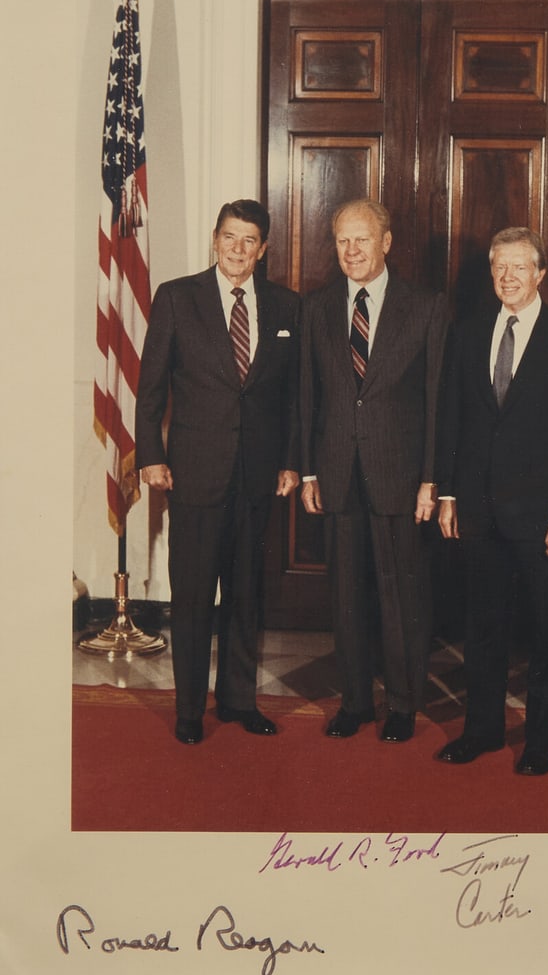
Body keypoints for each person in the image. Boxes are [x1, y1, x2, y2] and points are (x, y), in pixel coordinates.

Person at [135, 199, 300, 745]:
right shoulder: (178, 298)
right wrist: (151, 456)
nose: (238, 248)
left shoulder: (285, 307)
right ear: (214, 239)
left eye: (249, 240)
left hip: (256, 477)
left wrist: (290, 462)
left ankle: (237, 701)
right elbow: (151, 387)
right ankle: (189, 709)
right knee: (192, 596)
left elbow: (292, 399)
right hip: (194, 474)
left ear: (263, 249)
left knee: (247, 596)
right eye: (230, 237)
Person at [435, 227, 548, 775]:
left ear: (541, 274)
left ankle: (539, 743)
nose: (507, 278)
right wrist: (451, 492)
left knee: (547, 633)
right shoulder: (469, 333)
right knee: (482, 628)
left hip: (543, 519)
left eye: (519, 267)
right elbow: (453, 419)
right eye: (499, 267)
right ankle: (479, 732)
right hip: (480, 512)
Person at [300, 198, 449, 743]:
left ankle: (404, 703)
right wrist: (310, 473)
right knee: (346, 597)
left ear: (386, 243)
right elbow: (306, 397)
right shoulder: (315, 308)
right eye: (342, 240)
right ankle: (356, 701)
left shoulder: (426, 306)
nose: (352, 250)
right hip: (337, 473)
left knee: (401, 597)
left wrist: (431, 479)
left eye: (362, 239)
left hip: (400, 478)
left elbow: (436, 399)